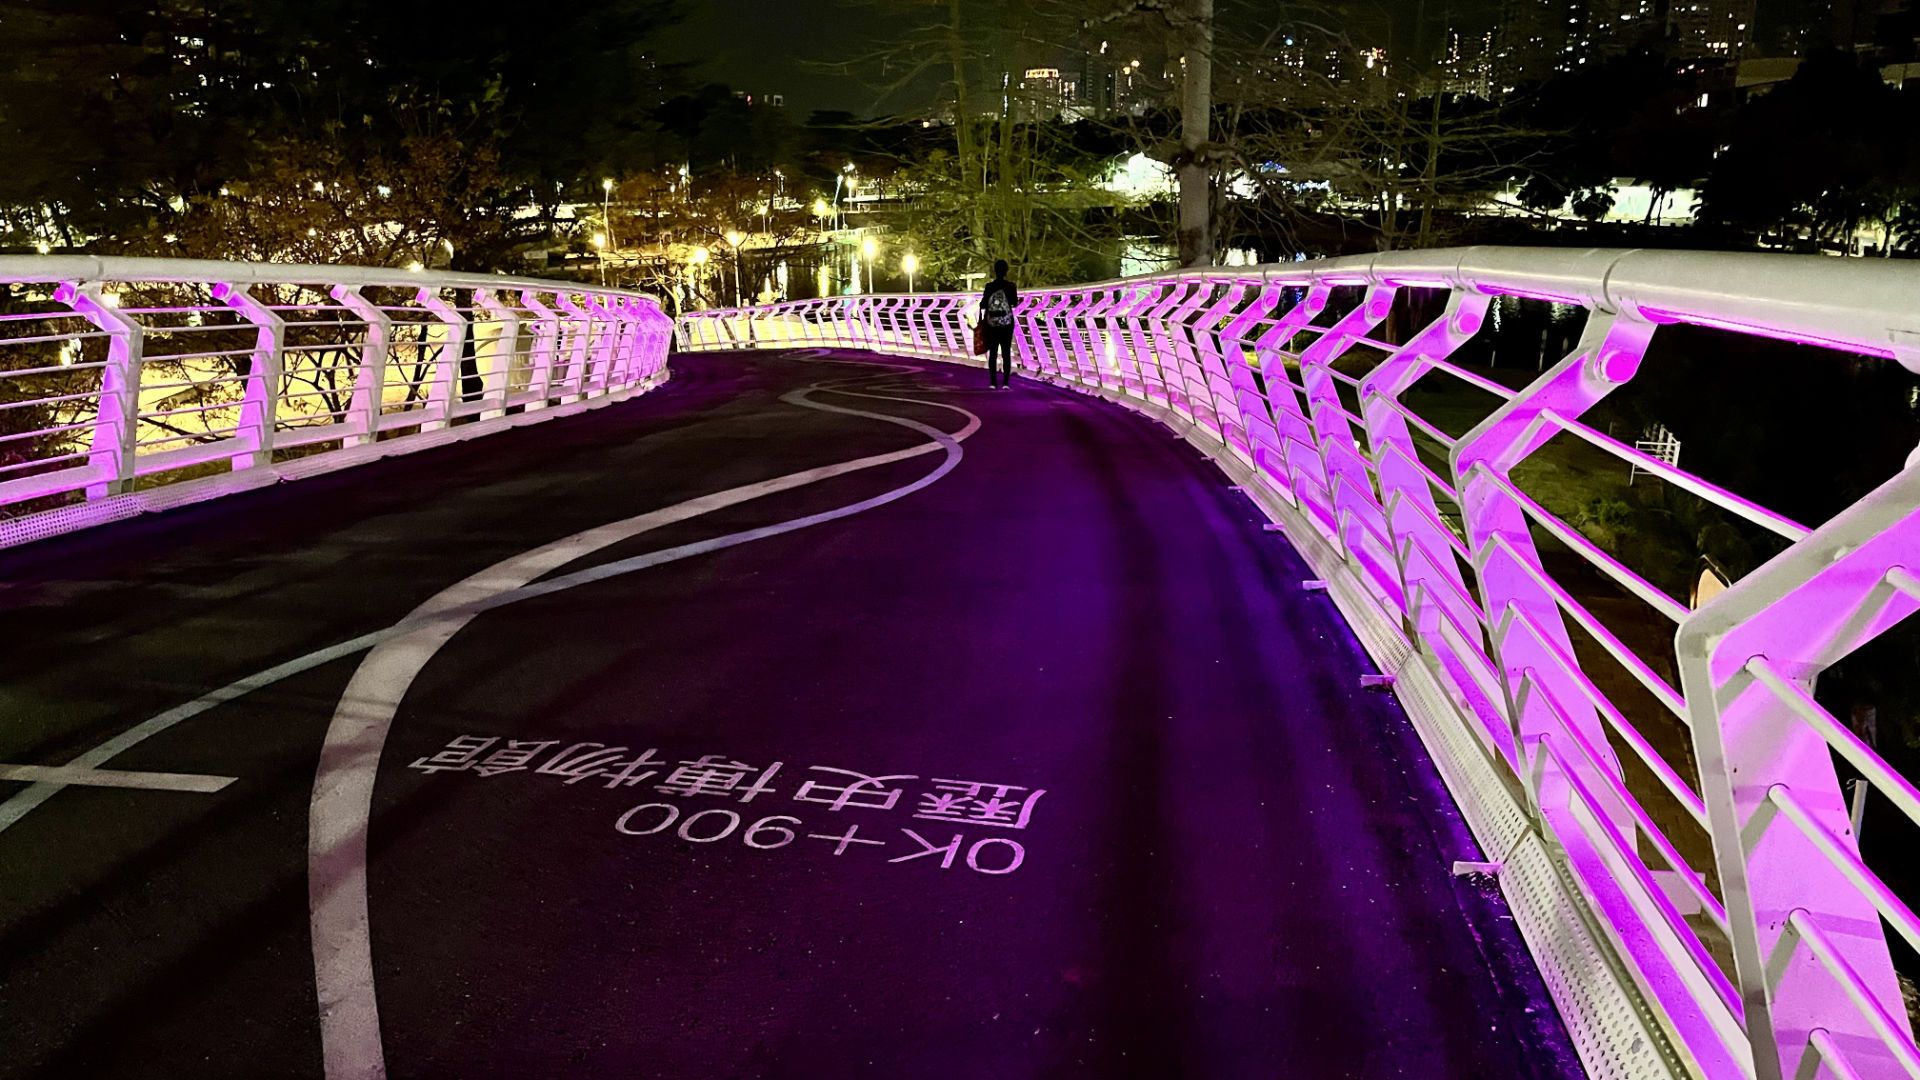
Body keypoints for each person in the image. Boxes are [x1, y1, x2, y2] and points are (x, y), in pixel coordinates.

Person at [980, 259, 1018, 390]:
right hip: (1006, 323)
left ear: (994, 271)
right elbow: (1014, 302)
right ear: (1006, 271)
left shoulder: (989, 287)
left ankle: (993, 382)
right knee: (1006, 352)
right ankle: (1006, 382)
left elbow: (983, 304)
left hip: (992, 324)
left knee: (993, 352)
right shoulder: (1011, 286)